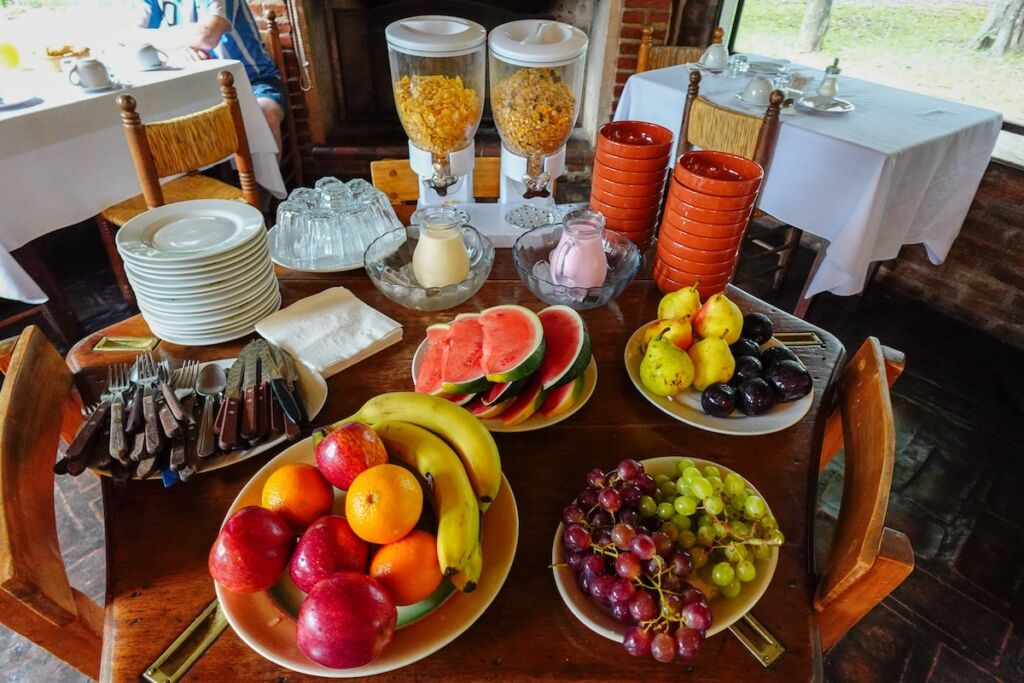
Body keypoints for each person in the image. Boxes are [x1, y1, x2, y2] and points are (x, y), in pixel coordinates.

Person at [132, 0, 285, 149]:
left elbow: (207, 35)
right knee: (166, 125)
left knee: (264, 115)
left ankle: (259, 175)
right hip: (198, 89)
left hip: (252, 81)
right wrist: (178, 48)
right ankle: (212, 174)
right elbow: (129, 39)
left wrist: (168, 41)